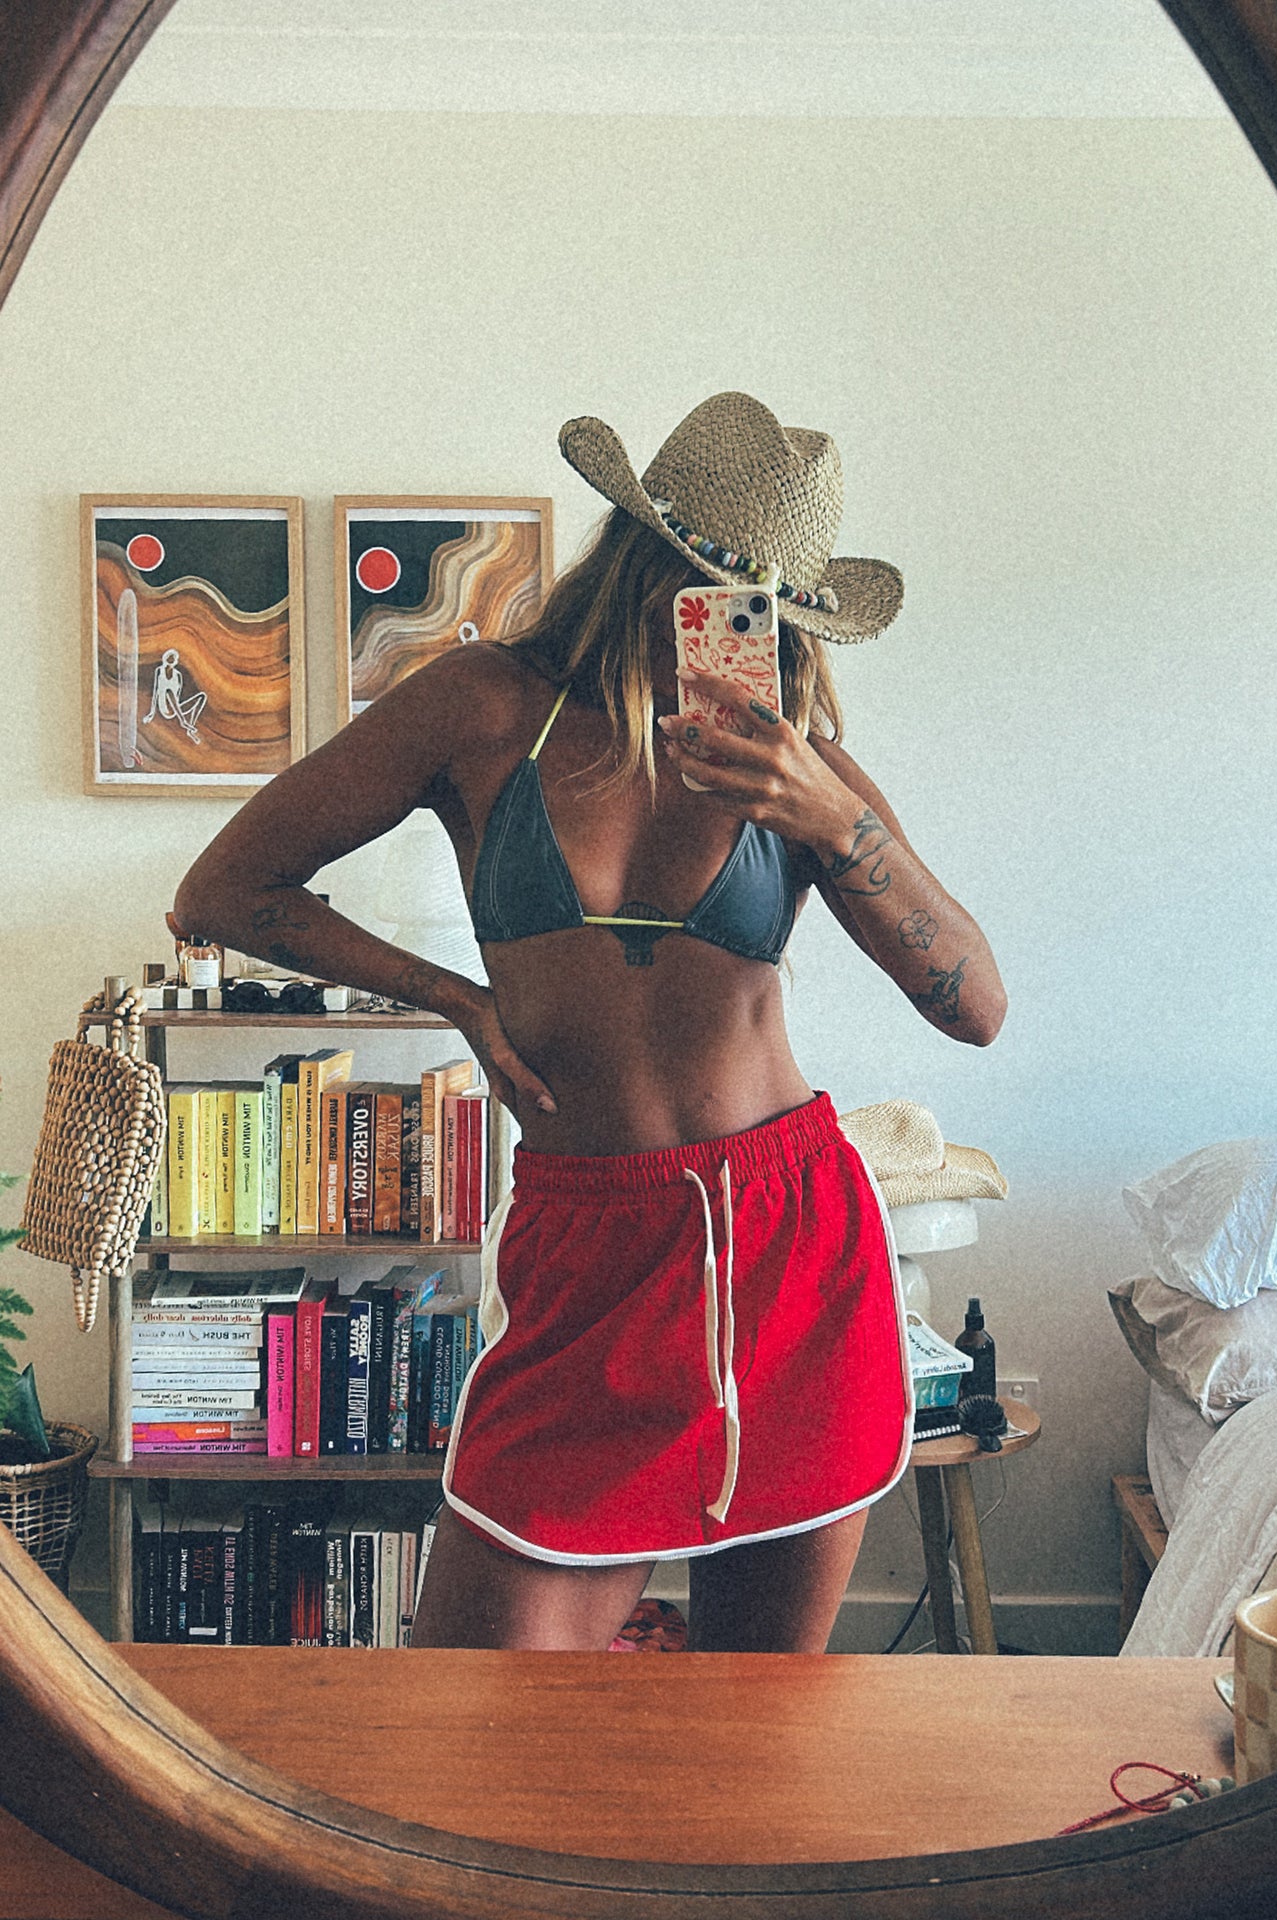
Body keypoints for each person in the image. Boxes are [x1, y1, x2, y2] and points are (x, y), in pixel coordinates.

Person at [171, 391, 1006, 1654]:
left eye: (771, 609)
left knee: (759, 1727)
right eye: (715, 592)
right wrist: (457, 999)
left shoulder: (799, 766)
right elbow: (224, 892)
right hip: (589, 1247)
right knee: (479, 1719)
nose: (741, 628)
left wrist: (830, 821)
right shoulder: (482, 708)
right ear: (643, 565)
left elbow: (977, 1008)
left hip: (788, 1242)